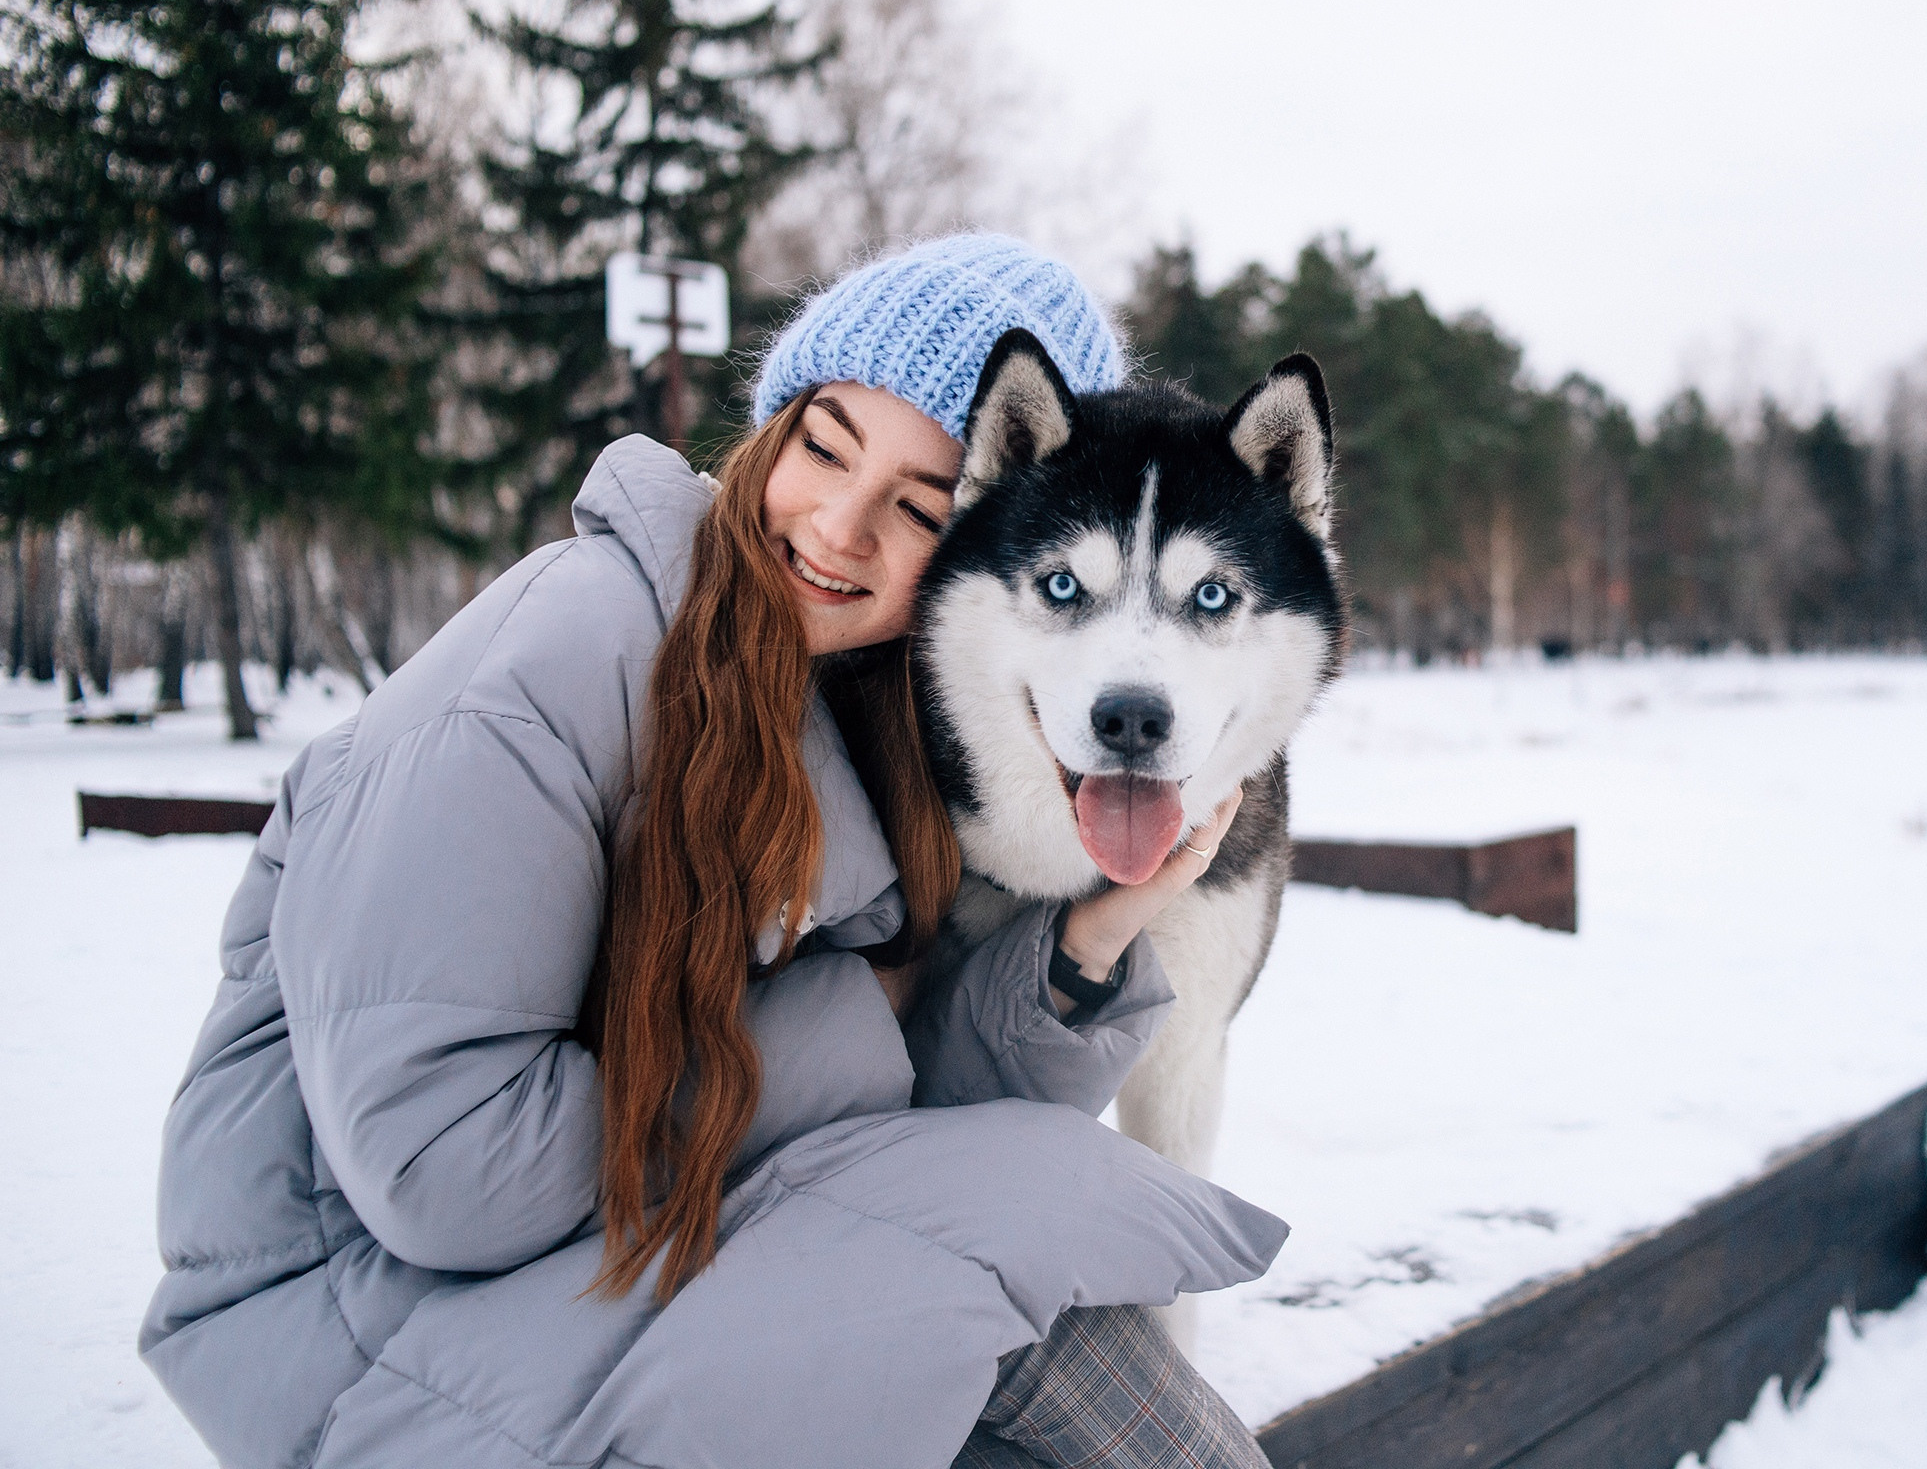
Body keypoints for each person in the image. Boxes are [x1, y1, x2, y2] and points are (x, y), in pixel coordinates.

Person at [140, 235, 1286, 1469]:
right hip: (351, 1320)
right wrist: (834, 1038)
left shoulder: (862, 716)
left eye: (914, 506)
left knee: (1041, 1270)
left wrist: (1093, 937)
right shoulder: (552, 660)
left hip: (595, 1264)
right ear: (770, 427)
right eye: (824, 445)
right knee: (1030, 1315)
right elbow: (440, 1173)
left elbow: (919, 1107)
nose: (838, 528)